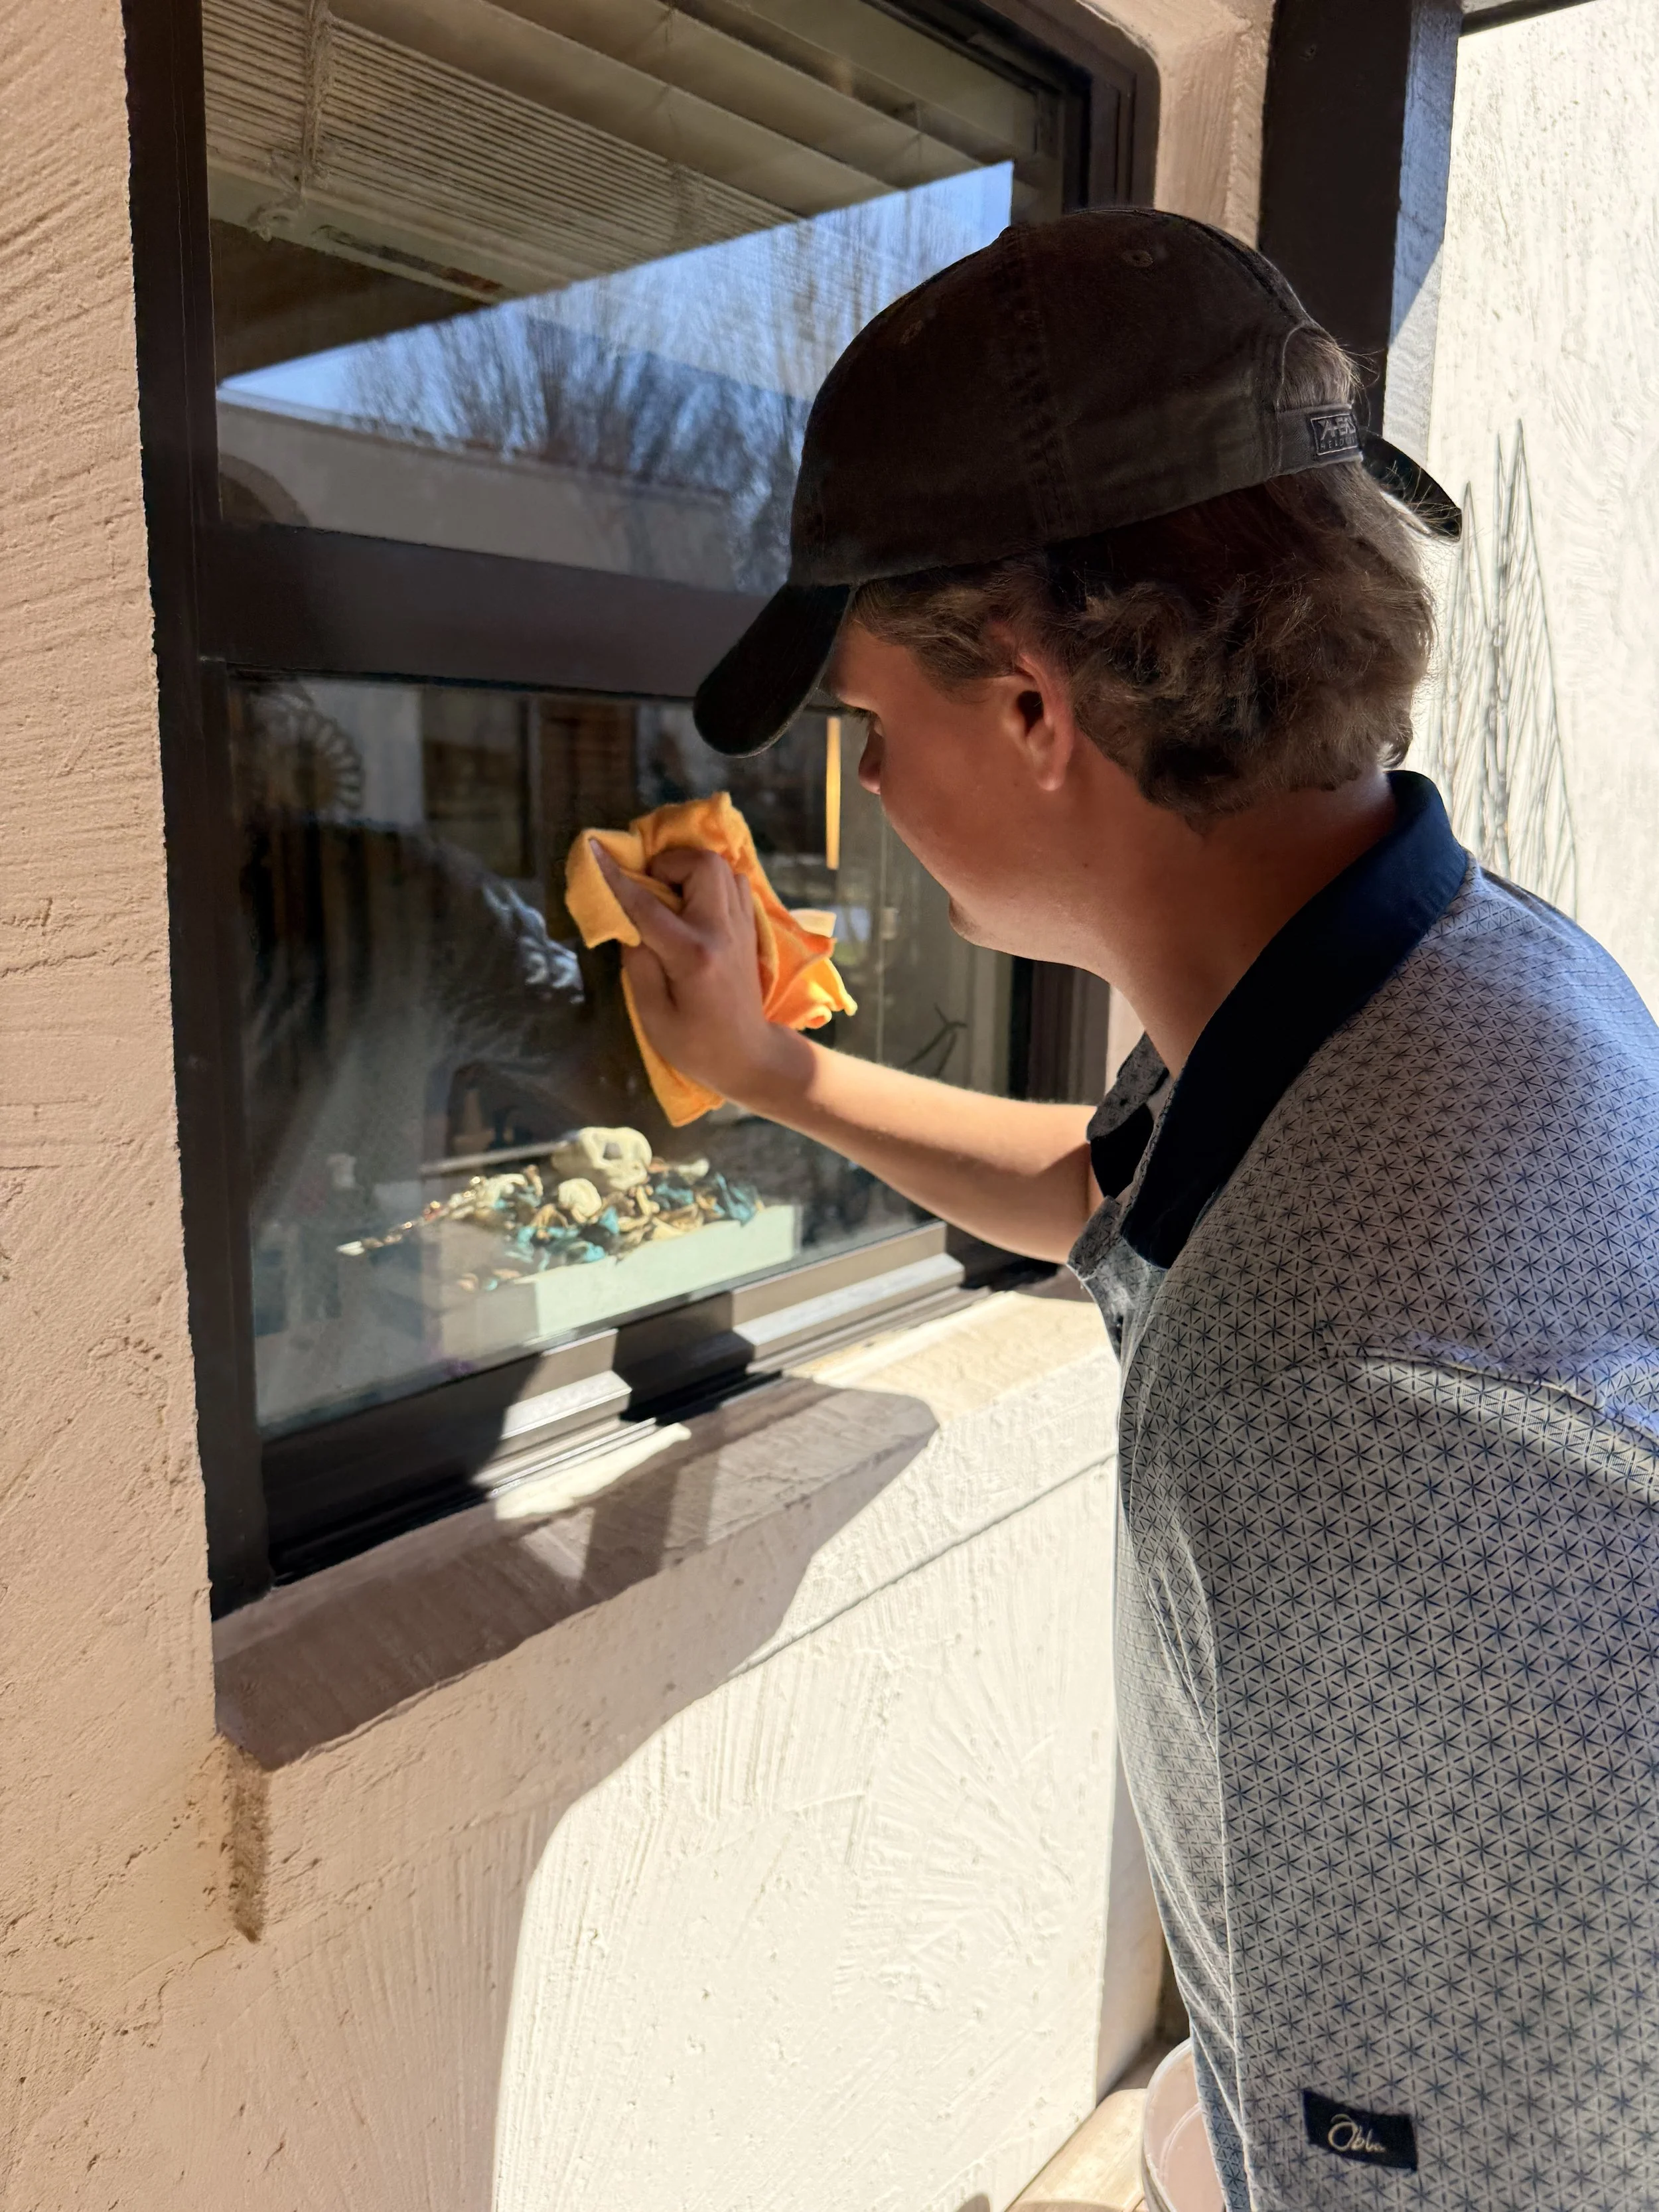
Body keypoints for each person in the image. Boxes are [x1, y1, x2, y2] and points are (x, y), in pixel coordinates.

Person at [591, 209, 1659, 2210]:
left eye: (869, 727)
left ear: (1026, 703)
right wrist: (771, 1069)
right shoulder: (1427, 974)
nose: (873, 791)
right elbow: (1120, 1189)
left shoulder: (1325, 1396)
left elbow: (1472, 2161)